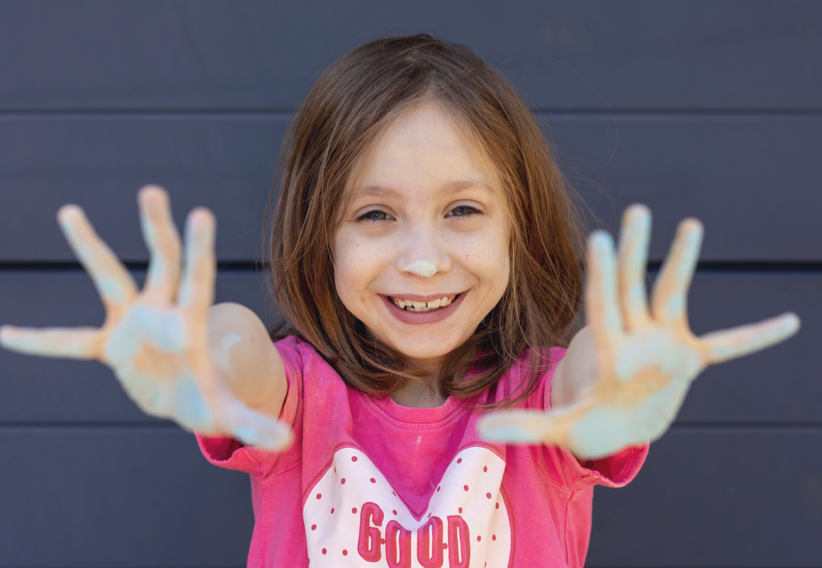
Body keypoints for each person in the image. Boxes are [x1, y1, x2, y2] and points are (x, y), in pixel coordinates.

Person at [0, 34, 799, 567]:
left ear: (518, 227)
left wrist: (617, 386)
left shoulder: (543, 401)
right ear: (320, 235)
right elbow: (239, 356)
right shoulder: (299, 398)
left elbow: (588, 385)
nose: (422, 260)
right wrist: (203, 357)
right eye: (375, 215)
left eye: (463, 211)